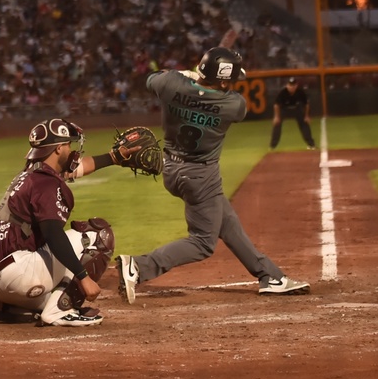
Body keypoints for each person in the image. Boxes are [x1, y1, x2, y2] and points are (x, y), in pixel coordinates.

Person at [117, 45, 311, 302]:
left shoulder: (171, 85)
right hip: (200, 175)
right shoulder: (234, 105)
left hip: (172, 169)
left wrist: (186, 75)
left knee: (227, 222)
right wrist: (197, 84)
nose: (233, 85)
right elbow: (213, 97)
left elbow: (152, 79)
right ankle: (139, 266)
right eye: (230, 80)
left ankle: (269, 276)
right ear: (221, 80)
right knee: (202, 243)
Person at [0, 118, 117, 328]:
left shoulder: (30, 174)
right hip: (20, 275)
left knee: (46, 295)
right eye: (68, 144)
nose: (72, 149)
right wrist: (83, 276)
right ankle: (60, 311)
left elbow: (75, 169)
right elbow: (52, 234)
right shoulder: (46, 183)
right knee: (98, 234)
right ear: (58, 148)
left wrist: (113, 157)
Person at [271, 77, 316, 150]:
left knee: (304, 124)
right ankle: (273, 146)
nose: (292, 87)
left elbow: (306, 104)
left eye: (293, 85)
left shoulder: (300, 92)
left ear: (296, 86)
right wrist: (276, 116)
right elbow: (276, 105)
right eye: (290, 85)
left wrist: (306, 116)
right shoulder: (283, 92)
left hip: (296, 109)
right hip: (284, 109)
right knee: (277, 124)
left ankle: (311, 144)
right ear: (287, 85)